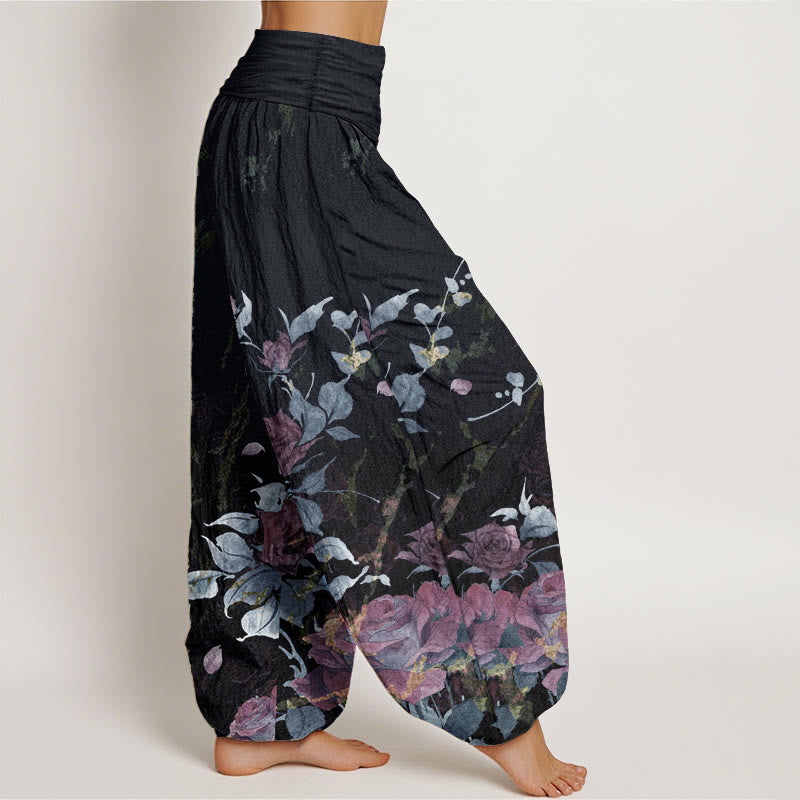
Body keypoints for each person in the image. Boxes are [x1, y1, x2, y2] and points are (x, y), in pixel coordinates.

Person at [185, 2, 588, 796]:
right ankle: (499, 706)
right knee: (466, 394)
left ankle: (260, 715)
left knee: (273, 423)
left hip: (296, 121)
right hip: (299, 124)